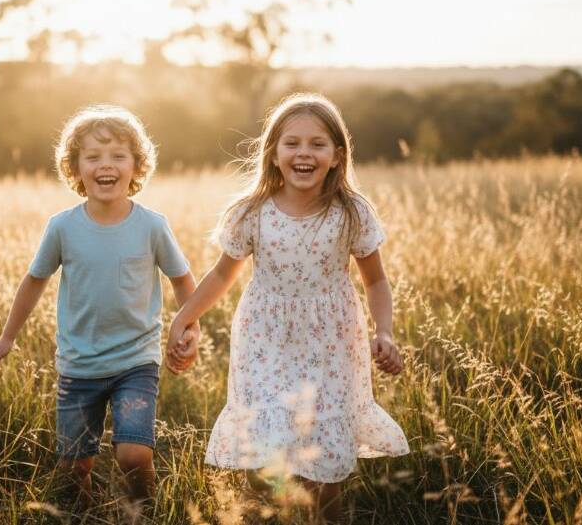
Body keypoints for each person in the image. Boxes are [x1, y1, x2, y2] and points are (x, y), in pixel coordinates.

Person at [167, 93, 409, 523]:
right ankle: (269, 510)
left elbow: (376, 280)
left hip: (331, 340)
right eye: (292, 143)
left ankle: (325, 517)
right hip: (267, 339)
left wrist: (384, 331)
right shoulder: (253, 212)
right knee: (269, 443)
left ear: (337, 156)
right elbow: (223, 275)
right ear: (274, 153)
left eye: (317, 144)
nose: (304, 153)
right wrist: (185, 316)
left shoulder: (351, 212)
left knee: (326, 450)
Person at [0, 105, 198, 514]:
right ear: (75, 168)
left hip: (137, 361)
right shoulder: (63, 227)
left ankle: (143, 515)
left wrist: (190, 329)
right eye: (93, 157)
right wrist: (7, 336)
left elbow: (183, 280)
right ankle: (83, 515)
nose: (106, 166)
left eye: (118, 156)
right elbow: (35, 281)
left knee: (134, 456)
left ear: (136, 166)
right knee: (74, 466)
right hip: (78, 365)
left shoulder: (152, 226)